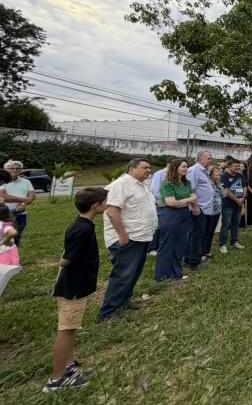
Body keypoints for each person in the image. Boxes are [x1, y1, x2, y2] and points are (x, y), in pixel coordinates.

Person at [43, 187, 109, 392]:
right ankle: (57, 379)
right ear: (95, 205)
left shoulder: (83, 224)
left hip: (78, 285)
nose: (107, 204)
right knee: (66, 330)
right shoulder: (83, 229)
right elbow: (66, 259)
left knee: (71, 329)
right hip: (72, 286)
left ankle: (69, 365)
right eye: (104, 202)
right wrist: (61, 264)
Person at [97, 159, 158, 321]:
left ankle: (124, 300)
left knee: (133, 272)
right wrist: (122, 234)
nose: (149, 170)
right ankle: (108, 311)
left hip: (141, 236)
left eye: (150, 168)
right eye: (145, 167)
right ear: (131, 169)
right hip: (127, 238)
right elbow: (112, 211)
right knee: (123, 274)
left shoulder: (141, 185)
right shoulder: (121, 184)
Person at [156, 159, 196, 282]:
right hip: (170, 215)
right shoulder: (167, 184)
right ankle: (162, 275)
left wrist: (184, 201)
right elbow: (171, 203)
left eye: (186, 167)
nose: (186, 169)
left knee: (180, 245)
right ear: (175, 168)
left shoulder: (186, 183)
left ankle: (176, 273)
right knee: (167, 245)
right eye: (183, 166)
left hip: (184, 215)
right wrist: (188, 200)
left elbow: (194, 197)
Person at [186, 151, 214, 269]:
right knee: (196, 235)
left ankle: (189, 258)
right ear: (200, 159)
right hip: (199, 208)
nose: (211, 160)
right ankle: (194, 262)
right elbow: (190, 189)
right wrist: (195, 206)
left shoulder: (204, 170)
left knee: (198, 234)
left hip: (205, 208)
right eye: (209, 158)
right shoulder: (194, 170)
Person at [3, 160, 36, 245]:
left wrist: (23, 204)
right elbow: (3, 196)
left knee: (17, 237)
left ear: (21, 170)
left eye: (18, 168)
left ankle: (14, 255)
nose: (15, 170)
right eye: (12, 168)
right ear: (7, 169)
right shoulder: (3, 181)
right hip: (5, 214)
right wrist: (23, 200)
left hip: (22, 214)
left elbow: (32, 195)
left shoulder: (26, 182)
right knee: (5, 236)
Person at [220, 159, 247, 252]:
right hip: (228, 204)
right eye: (236, 166)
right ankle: (223, 244)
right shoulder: (224, 176)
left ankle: (234, 242)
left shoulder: (240, 175)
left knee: (236, 223)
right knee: (226, 224)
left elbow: (244, 187)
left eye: (239, 166)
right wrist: (236, 200)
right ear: (229, 166)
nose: (238, 168)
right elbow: (226, 190)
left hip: (239, 204)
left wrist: (243, 199)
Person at [204, 165, 225, 257]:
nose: (218, 173)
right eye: (216, 171)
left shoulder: (219, 183)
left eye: (219, 172)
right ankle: (201, 251)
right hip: (209, 210)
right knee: (206, 231)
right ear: (211, 174)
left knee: (211, 231)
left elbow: (223, 195)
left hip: (217, 210)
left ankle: (207, 250)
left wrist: (219, 184)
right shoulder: (208, 183)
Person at [148, 164, 168, 255]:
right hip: (161, 203)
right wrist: (159, 200)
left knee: (163, 225)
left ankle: (160, 245)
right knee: (158, 225)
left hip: (168, 204)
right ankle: (152, 247)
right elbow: (154, 188)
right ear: (169, 164)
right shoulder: (160, 173)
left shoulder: (173, 173)